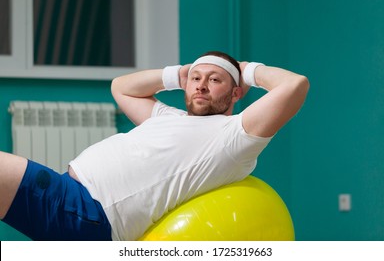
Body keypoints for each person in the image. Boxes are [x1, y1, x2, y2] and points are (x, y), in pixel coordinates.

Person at [0, 51, 309, 241]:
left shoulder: (233, 136)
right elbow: (121, 88)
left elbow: (295, 85)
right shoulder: (166, 116)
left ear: (236, 93)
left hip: (85, 212)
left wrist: (248, 69)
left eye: (215, 80)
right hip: (71, 197)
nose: (201, 85)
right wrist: (178, 74)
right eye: (196, 79)